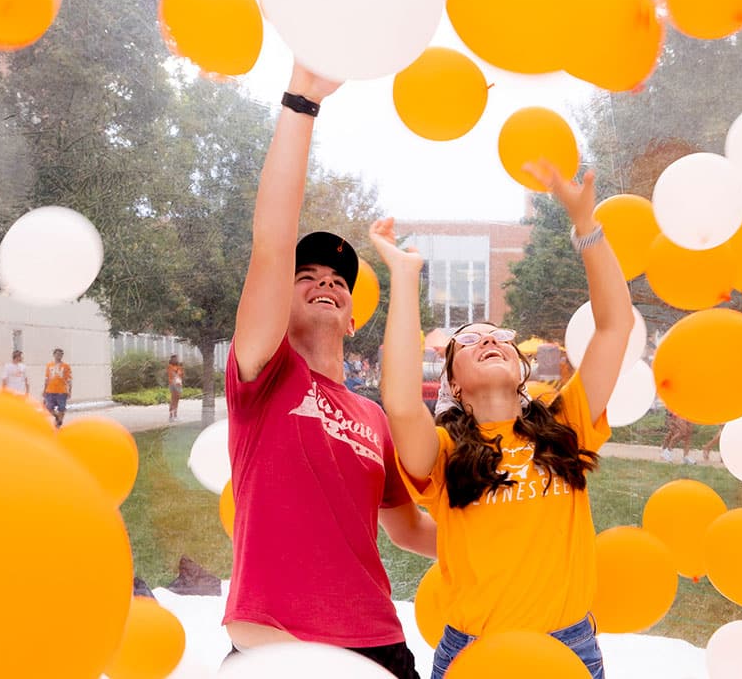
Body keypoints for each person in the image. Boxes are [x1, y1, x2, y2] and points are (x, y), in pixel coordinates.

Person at [372, 157, 634, 679]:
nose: (490, 339)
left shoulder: (567, 422)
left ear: (520, 366)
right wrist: (404, 277)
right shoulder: (444, 452)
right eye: (470, 339)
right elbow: (400, 403)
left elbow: (614, 326)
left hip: (570, 649)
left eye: (500, 337)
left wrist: (586, 225)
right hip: (474, 654)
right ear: (454, 383)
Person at [221, 65, 436, 679]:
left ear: (350, 318)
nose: (326, 284)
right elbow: (272, 239)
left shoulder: (376, 416)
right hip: (275, 645)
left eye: (339, 282)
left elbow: (408, 530)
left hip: (378, 644)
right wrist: (303, 101)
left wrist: (505, 536)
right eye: (307, 276)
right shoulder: (262, 375)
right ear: (276, 302)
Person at [43, 348, 72, 428]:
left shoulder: (66, 366)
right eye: (57, 354)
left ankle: (58, 425)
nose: (58, 356)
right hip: (50, 390)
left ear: (62, 355)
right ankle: (57, 417)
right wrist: (44, 390)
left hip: (62, 391)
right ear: (54, 355)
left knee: (61, 408)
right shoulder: (49, 365)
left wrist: (70, 390)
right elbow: (47, 378)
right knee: (48, 408)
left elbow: (69, 379)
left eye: (60, 354)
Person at [167, 355, 187, 421]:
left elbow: (182, 374)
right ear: (172, 359)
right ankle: (171, 415)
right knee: (173, 399)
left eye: (176, 359)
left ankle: (174, 415)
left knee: (176, 400)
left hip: (178, 384)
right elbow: (173, 374)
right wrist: (177, 373)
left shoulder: (179, 367)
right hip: (173, 384)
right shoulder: (170, 366)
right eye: (174, 359)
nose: (176, 360)